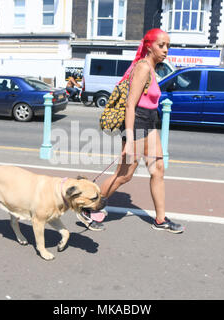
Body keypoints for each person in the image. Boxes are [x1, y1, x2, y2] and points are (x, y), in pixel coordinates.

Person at [77, 28, 184, 234]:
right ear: (149, 46)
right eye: (161, 45)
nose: (165, 50)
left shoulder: (153, 67)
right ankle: (88, 208)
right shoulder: (143, 67)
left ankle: (160, 220)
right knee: (124, 174)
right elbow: (130, 105)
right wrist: (128, 139)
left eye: (168, 46)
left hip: (150, 121)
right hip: (137, 123)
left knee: (158, 169)